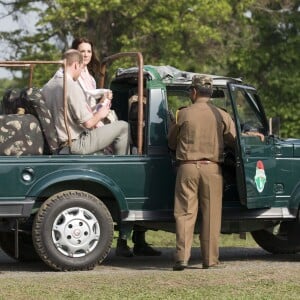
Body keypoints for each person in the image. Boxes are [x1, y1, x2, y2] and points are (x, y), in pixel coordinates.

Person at [168, 75, 236, 271]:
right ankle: (210, 260)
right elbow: (233, 140)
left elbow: (171, 142)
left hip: (187, 167)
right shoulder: (221, 115)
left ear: (194, 92)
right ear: (210, 93)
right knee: (211, 214)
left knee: (185, 213)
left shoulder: (182, 114)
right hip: (212, 169)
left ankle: (181, 258)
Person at [42, 49, 129, 156]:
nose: (81, 71)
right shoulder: (71, 86)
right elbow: (88, 123)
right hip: (74, 144)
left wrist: (98, 106)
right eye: (82, 68)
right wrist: (101, 113)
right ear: (75, 65)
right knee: (124, 127)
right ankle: (121, 169)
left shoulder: (47, 86)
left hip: (59, 143)